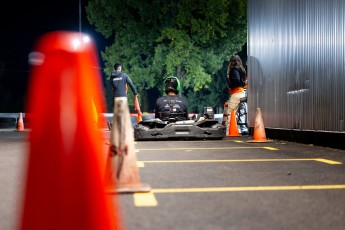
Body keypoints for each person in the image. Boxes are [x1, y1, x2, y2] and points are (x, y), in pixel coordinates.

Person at [226, 54, 249, 135]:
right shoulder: (241, 69)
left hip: (236, 93)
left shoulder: (233, 70)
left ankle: (229, 131)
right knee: (239, 113)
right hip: (242, 92)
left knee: (230, 113)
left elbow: (236, 81)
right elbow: (242, 81)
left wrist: (230, 84)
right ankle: (239, 129)